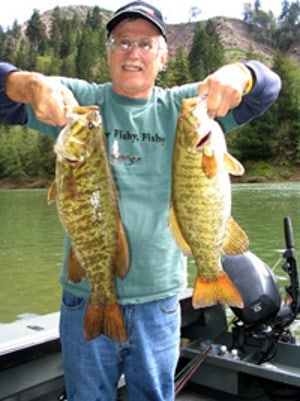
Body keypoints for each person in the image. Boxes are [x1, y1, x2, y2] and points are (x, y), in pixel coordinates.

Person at [0, 1, 281, 400]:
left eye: (146, 44)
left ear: (163, 57)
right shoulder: (80, 104)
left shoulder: (185, 109)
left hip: (159, 304)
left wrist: (242, 72)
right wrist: (31, 85)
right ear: (108, 52)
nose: (133, 52)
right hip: (85, 300)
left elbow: (268, 89)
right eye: (122, 41)